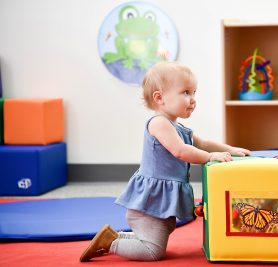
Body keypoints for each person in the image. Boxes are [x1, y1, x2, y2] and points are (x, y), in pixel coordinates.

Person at [80, 61, 250, 262]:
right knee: (153, 252)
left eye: (194, 92)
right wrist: (210, 157)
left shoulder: (178, 127)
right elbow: (180, 151)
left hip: (159, 200)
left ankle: (116, 236)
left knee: (158, 234)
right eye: (186, 92)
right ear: (159, 98)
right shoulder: (159, 123)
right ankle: (110, 243)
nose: (193, 99)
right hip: (150, 200)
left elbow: (203, 142)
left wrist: (229, 149)